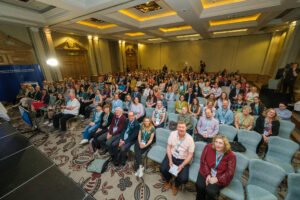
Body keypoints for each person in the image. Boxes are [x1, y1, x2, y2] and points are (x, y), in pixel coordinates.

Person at [196, 135, 236, 200]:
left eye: (220, 143)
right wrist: (208, 174)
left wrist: (217, 179)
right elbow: (203, 161)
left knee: (210, 191)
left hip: (220, 176)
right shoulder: (208, 147)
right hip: (206, 170)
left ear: (225, 145)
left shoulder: (231, 156)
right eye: (216, 142)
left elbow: (230, 172)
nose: (217, 145)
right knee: (199, 185)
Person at [160, 121, 195, 195]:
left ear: (186, 128)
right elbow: (168, 147)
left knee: (184, 179)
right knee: (162, 169)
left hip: (183, 159)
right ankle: (168, 180)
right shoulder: (172, 134)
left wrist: (182, 165)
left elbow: (190, 154)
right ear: (177, 128)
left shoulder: (190, 139)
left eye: (183, 127)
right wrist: (170, 160)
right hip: (172, 155)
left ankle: (176, 184)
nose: (181, 129)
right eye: (179, 127)